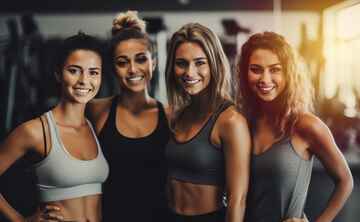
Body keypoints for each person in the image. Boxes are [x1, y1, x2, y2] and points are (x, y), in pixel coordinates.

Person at [235, 31, 353, 222]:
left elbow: (345, 181)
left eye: (275, 69)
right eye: (256, 69)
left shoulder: (306, 125)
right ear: (245, 73)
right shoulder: (243, 122)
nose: (265, 79)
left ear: (288, 73)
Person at [0, 32, 109, 222]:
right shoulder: (35, 131)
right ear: (58, 73)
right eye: (74, 70)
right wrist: (20, 221)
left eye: (93, 72)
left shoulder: (96, 125)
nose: (84, 80)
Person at [85, 11, 171, 222]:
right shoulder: (95, 110)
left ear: (153, 63)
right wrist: (39, 163)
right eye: (123, 62)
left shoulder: (172, 116)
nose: (133, 69)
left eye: (141, 59)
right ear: (113, 68)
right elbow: (55, 134)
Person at [164, 23, 251, 222]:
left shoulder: (230, 121)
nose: (190, 72)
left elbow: (238, 199)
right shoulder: (180, 115)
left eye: (200, 63)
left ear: (214, 64)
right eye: (182, 63)